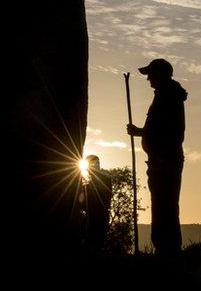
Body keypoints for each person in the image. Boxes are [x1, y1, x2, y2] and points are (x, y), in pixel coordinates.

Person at [126, 58, 187, 256]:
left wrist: (161, 156)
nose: (148, 79)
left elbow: (174, 132)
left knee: (164, 205)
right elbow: (159, 128)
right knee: (162, 204)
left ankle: (167, 249)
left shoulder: (168, 96)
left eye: (150, 74)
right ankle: (165, 247)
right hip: (161, 160)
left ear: (161, 74)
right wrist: (140, 132)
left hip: (164, 162)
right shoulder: (165, 95)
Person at [79, 154, 111, 251]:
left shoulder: (104, 180)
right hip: (93, 217)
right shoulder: (88, 185)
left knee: (95, 244)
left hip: (98, 217)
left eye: (95, 164)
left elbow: (104, 198)